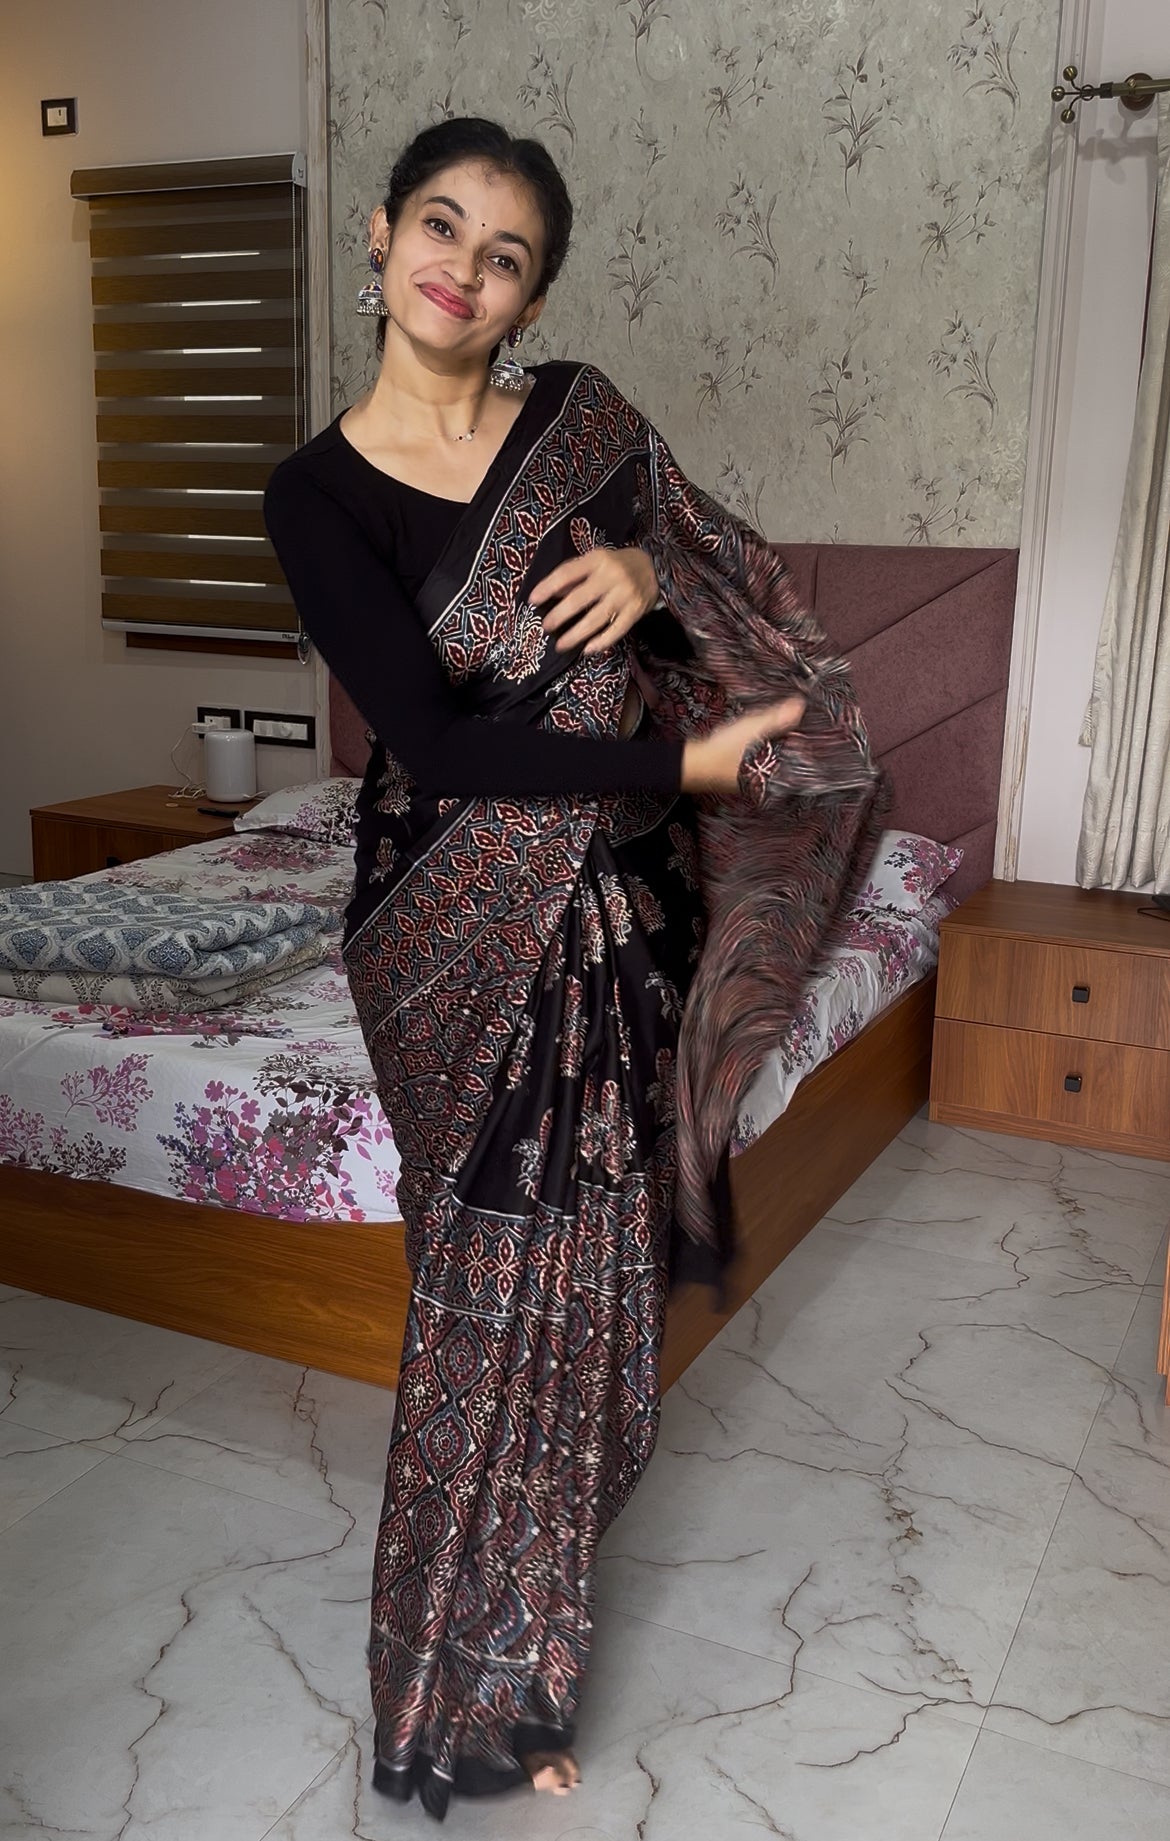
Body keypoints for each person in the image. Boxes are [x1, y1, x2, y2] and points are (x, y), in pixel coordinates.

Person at [264, 116, 882, 1822]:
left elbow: (735, 601)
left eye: (506, 253)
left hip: (618, 917)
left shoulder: (585, 427)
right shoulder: (315, 495)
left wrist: (647, 569)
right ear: (380, 236)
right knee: (480, 1306)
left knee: (586, 1295)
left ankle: (527, 1663)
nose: (462, 268)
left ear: (532, 298)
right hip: (450, 930)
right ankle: (434, 1698)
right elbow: (438, 746)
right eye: (440, 226)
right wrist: (676, 767)